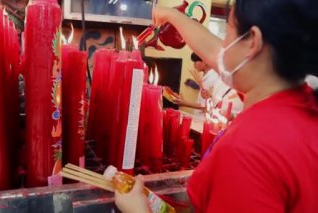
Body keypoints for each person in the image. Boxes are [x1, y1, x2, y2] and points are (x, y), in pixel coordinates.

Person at [115, 0, 318, 212]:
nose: (223, 45)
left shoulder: (246, 150)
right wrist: (171, 16)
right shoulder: (300, 105)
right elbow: (217, 54)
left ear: (252, 42)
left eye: (228, 30)